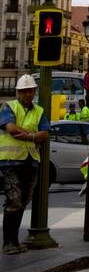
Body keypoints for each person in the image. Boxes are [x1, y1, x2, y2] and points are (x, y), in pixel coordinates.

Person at [0, 75, 50, 255]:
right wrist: (34, 135)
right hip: (10, 161)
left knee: (22, 201)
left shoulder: (39, 111)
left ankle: (14, 241)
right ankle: (8, 243)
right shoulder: (9, 107)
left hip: (30, 160)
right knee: (14, 200)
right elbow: (11, 129)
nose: (28, 94)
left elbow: (45, 133)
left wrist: (29, 136)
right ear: (18, 92)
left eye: (31, 91)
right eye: (24, 91)